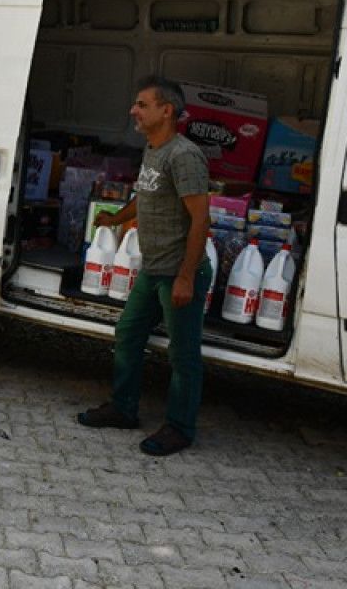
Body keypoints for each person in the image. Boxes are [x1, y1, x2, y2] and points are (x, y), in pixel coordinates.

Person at [78, 76, 212, 456]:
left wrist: (186, 277)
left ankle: (180, 428)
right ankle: (124, 408)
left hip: (178, 273)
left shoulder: (183, 155)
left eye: (142, 104)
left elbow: (201, 219)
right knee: (128, 333)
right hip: (154, 269)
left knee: (183, 355)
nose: (133, 110)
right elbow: (146, 194)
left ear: (166, 111)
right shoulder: (154, 150)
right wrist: (115, 219)